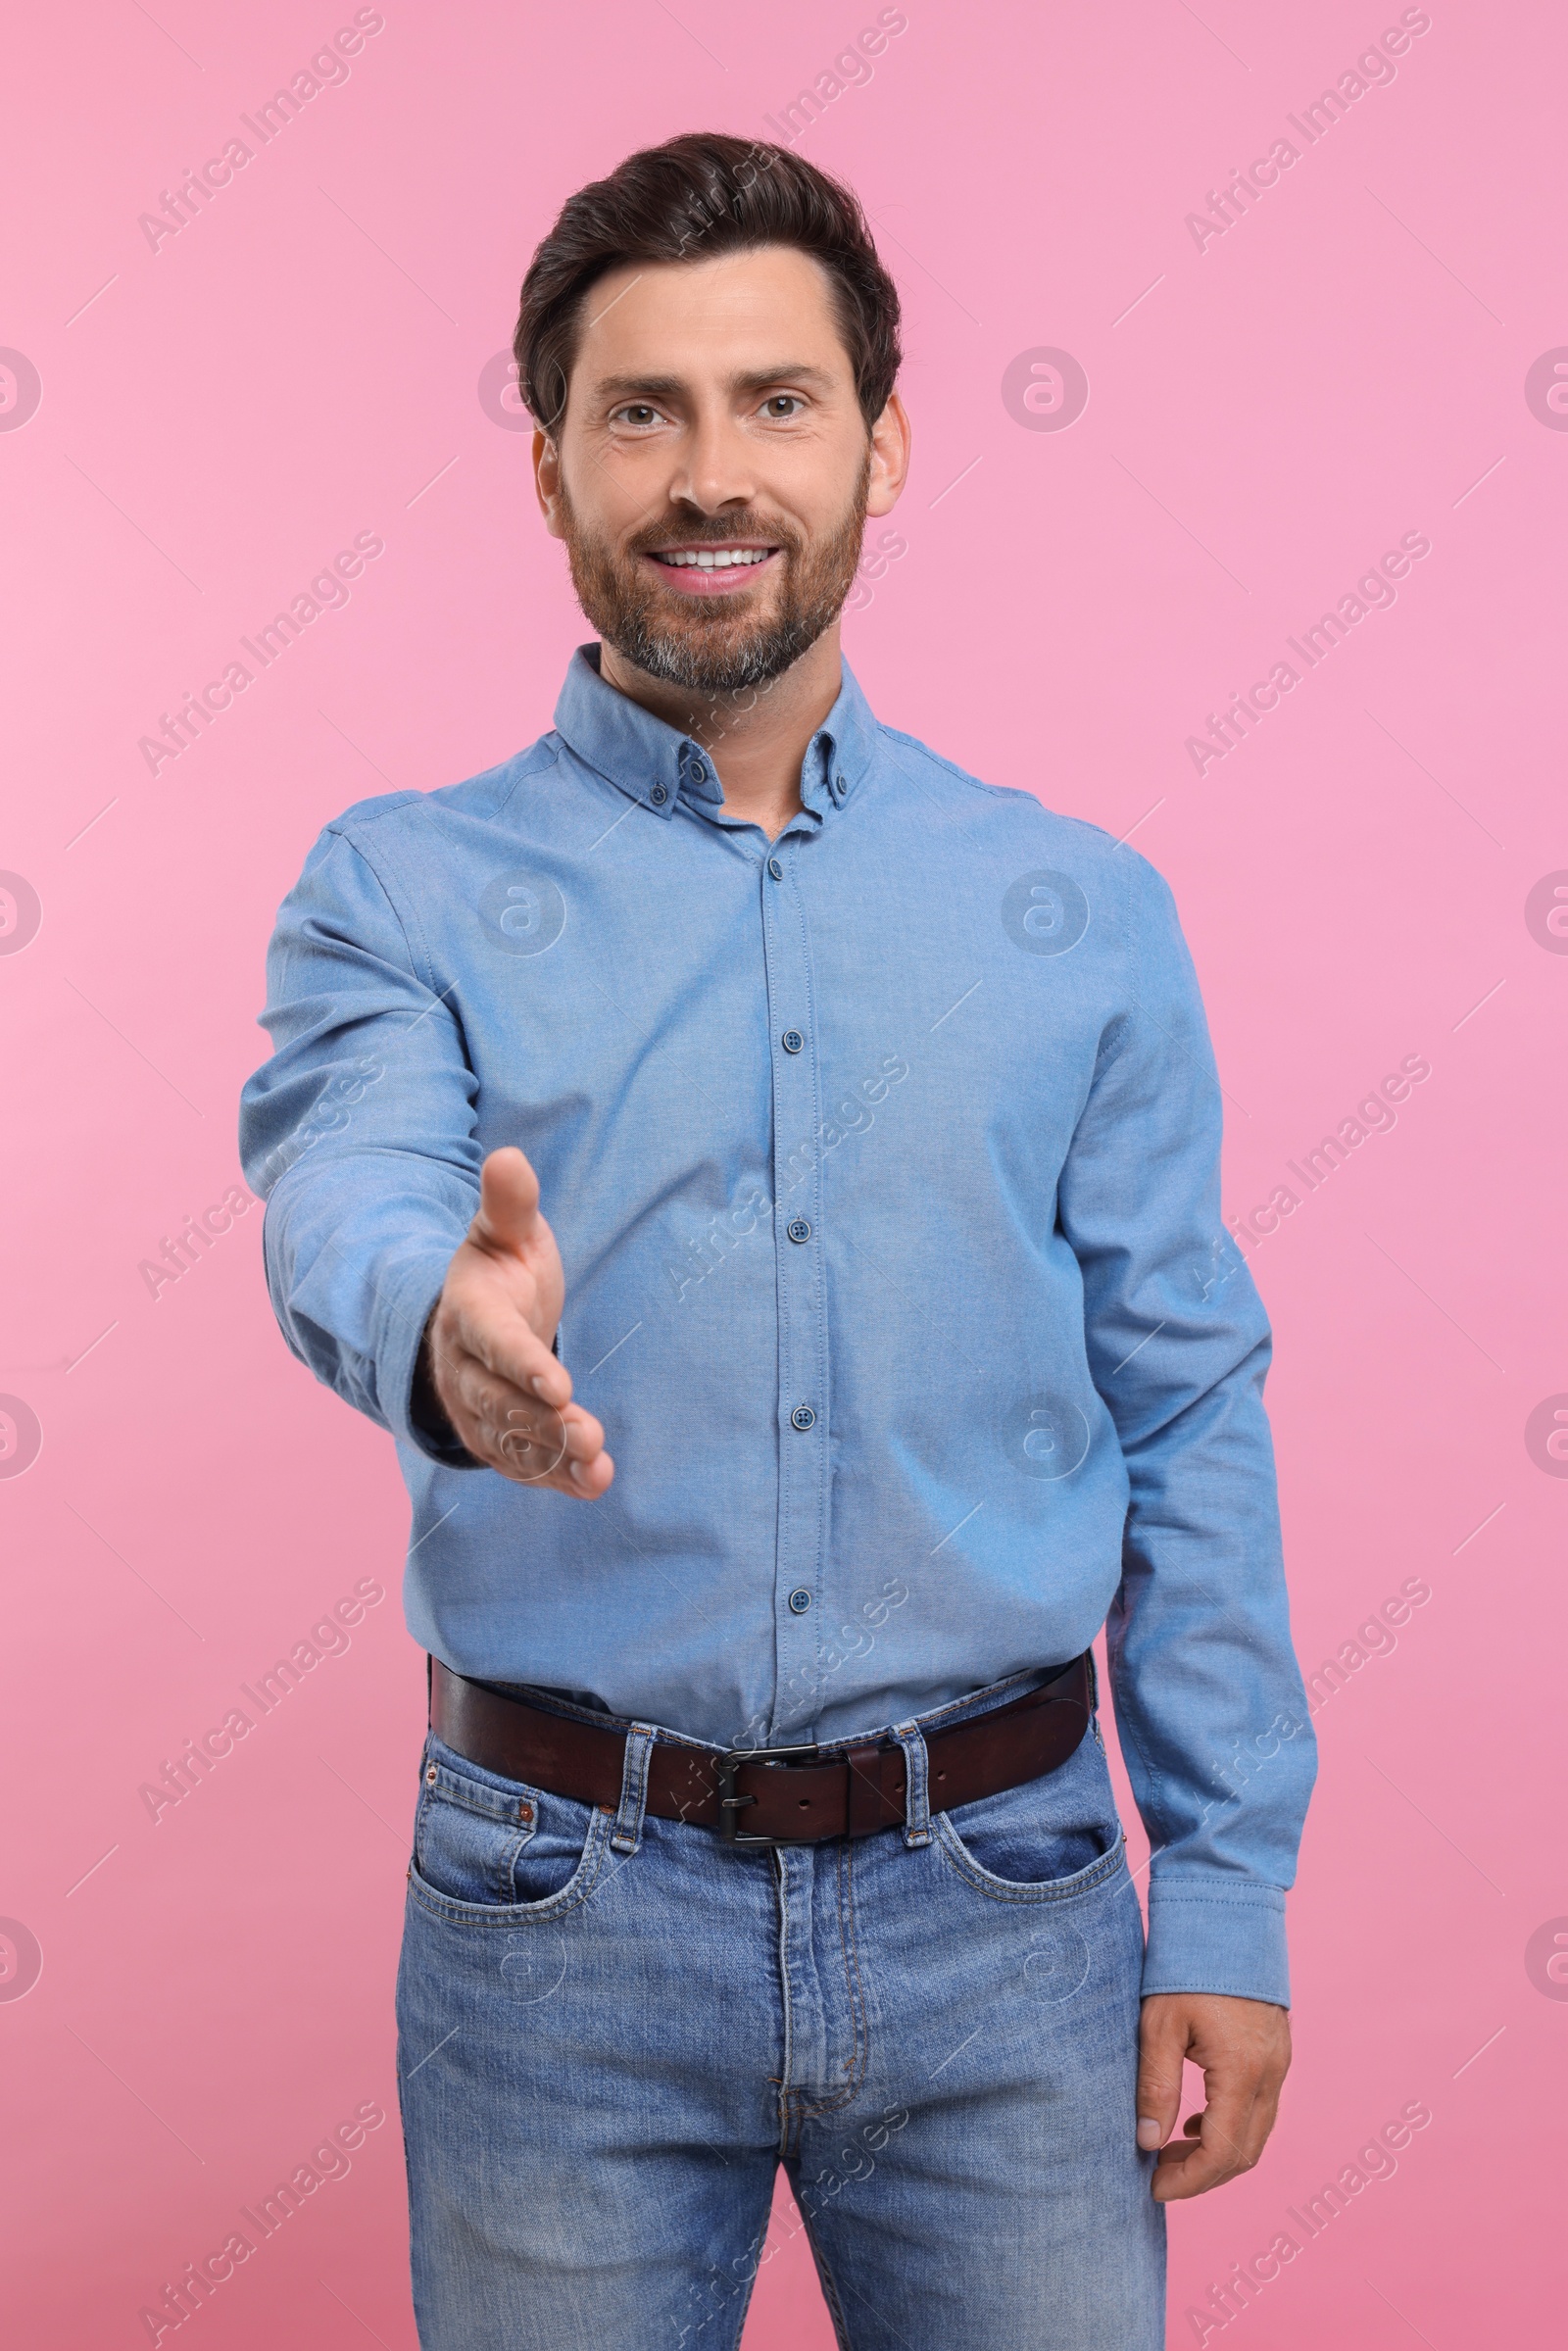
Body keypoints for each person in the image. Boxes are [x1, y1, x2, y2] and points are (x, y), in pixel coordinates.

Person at [239, 131, 1316, 2351]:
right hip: (558, 1921)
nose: (707, 476)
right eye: (638, 411)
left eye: (774, 401)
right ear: (549, 470)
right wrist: (441, 1326)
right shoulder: (397, 889)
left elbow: (1183, 1399)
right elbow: (344, 1178)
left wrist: (1220, 1890)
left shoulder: (1075, 909)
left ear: (881, 443)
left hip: (1009, 1913)